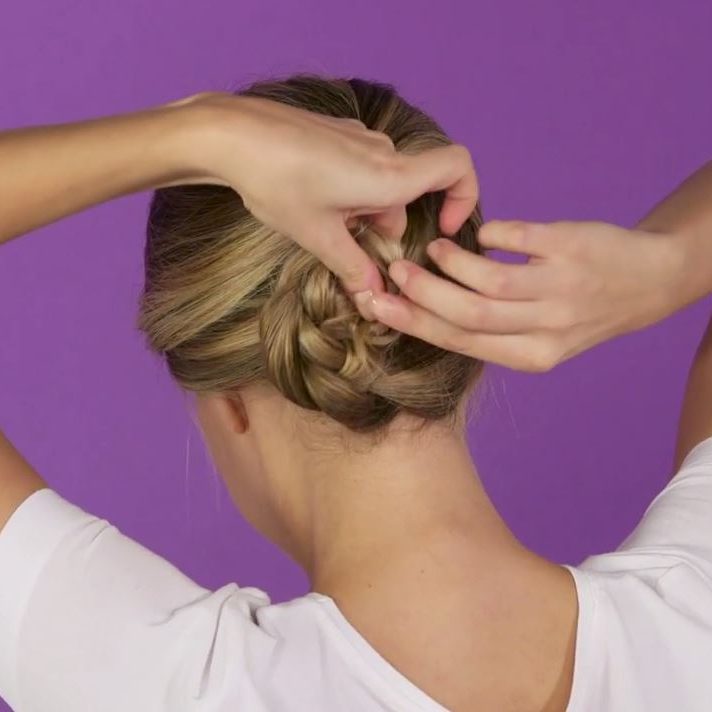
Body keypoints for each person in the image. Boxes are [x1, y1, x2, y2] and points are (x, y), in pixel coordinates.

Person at [0, 73, 709, 712]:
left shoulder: (163, 686)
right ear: (462, 342)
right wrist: (670, 265)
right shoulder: (693, 617)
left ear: (230, 406)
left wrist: (197, 131)